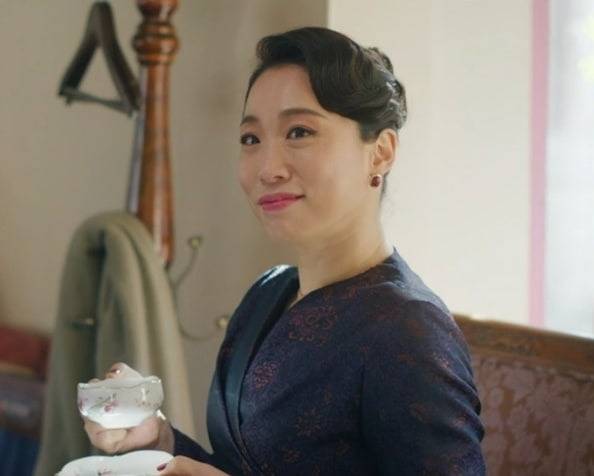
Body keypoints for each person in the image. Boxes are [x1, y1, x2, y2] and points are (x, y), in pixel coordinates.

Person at [83, 27, 485, 475]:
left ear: (381, 152)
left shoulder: (409, 330)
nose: (267, 169)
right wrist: (158, 438)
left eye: (299, 132)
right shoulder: (268, 293)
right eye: (251, 139)